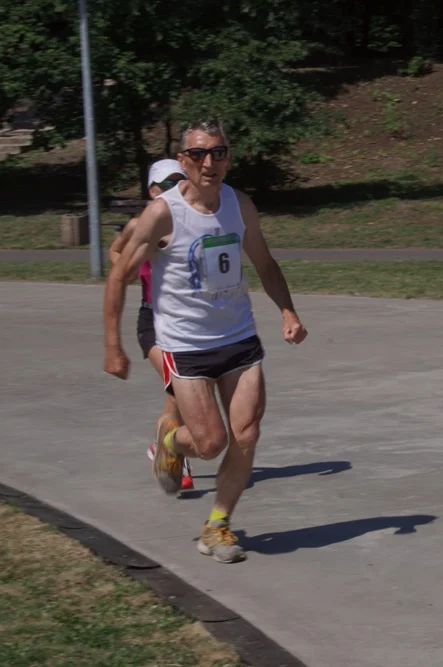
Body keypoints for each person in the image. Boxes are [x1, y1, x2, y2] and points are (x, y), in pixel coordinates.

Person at [103, 120, 308, 564]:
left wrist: (288, 311)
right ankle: (169, 442)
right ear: (183, 161)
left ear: (229, 158)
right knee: (210, 443)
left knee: (246, 434)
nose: (208, 162)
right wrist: (112, 345)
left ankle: (217, 526)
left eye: (218, 152)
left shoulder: (240, 204)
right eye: (197, 154)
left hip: (238, 337)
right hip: (186, 346)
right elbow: (118, 276)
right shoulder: (163, 213)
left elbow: (264, 263)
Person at [108, 159, 194, 492]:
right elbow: (115, 250)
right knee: (179, 387)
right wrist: (127, 267)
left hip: (184, 322)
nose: (175, 189)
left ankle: (162, 445)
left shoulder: (192, 222)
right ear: (152, 190)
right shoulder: (139, 225)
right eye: (167, 184)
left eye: (180, 182)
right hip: (153, 322)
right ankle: (175, 458)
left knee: (181, 391)